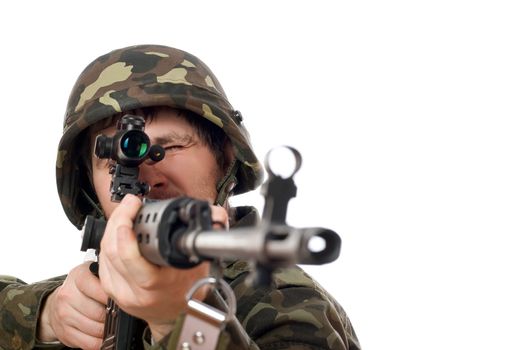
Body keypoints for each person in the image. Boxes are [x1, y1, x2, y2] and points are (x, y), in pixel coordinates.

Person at [0, 44, 360, 349]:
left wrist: (181, 318)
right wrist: (43, 315)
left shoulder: (287, 302)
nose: (144, 176)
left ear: (225, 157)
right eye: (111, 162)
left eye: (169, 147)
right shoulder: (90, 289)